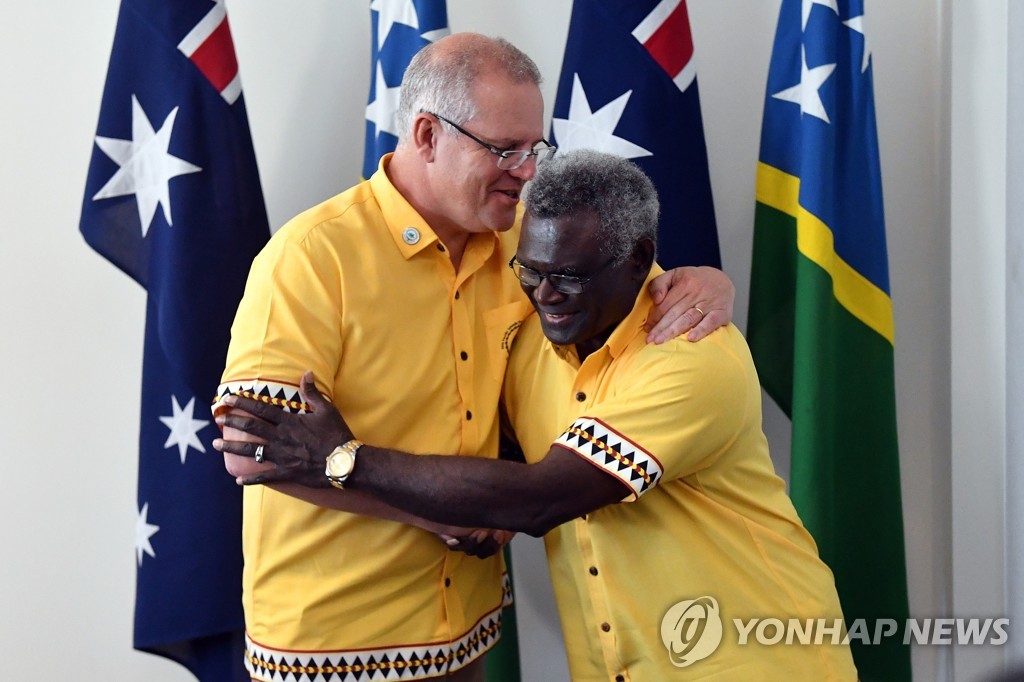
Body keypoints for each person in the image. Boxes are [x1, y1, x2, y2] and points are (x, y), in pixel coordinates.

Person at [216, 150, 859, 680]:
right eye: (531, 270)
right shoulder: (534, 333)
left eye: (569, 277)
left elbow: (540, 499)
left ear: (638, 262)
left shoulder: (687, 358)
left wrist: (343, 458)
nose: (545, 295)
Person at [216, 35, 735, 682]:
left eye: (534, 149)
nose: (527, 172)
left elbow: (639, 282)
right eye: (504, 150)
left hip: (467, 628)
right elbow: (252, 448)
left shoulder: (526, 238)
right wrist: (437, 511)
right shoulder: (311, 258)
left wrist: (708, 280)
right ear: (428, 135)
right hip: (334, 639)